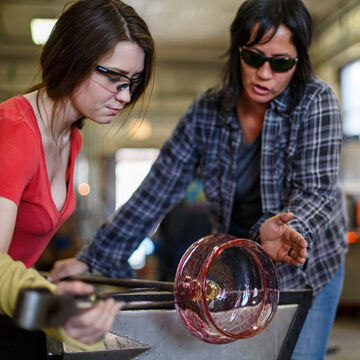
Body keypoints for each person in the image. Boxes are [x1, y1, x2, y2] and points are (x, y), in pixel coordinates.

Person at [49, 0, 348, 358]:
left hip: (306, 273)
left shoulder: (316, 101)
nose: (264, 74)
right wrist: (94, 260)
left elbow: (316, 191)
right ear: (238, 51)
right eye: (254, 58)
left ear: (299, 62)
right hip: (239, 272)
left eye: (281, 63)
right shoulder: (207, 112)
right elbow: (156, 190)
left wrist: (286, 230)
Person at [0, 0, 155, 355]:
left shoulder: (73, 138)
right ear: (72, 56)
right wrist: (56, 308)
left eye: (131, 82)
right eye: (114, 78)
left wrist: (45, 283)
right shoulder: (14, 132)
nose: (126, 96)